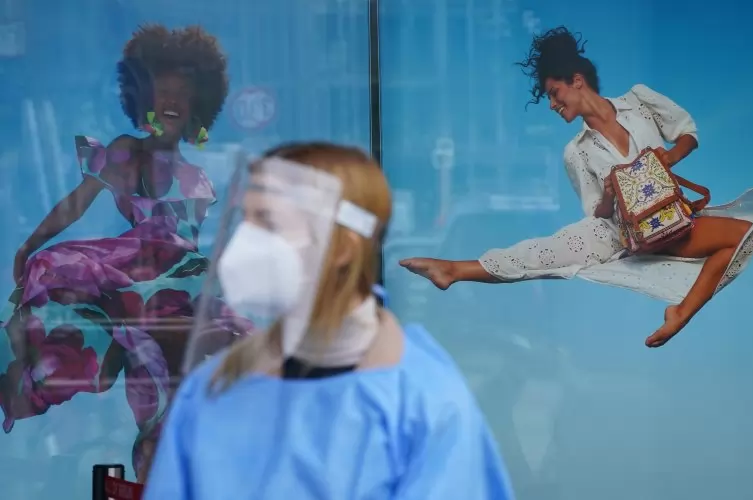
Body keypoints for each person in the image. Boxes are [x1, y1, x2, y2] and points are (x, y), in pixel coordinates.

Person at [143, 142, 515, 500]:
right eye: (245, 220)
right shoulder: (217, 385)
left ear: (343, 248)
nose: (246, 242)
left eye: (268, 222)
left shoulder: (422, 403)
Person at [400, 26, 753, 348]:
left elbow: (687, 132)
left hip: (670, 219)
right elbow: (597, 213)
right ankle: (454, 269)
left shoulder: (639, 101)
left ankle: (681, 313)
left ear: (576, 81)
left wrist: (668, 159)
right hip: (618, 232)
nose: (552, 105)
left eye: (554, 93)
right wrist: (609, 193)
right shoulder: (575, 152)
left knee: (741, 235)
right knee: (544, 253)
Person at [0, 24, 243, 481]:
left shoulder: (202, 177)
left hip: (183, 286)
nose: (172, 100)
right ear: (143, 98)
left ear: (198, 102)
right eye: (162, 90)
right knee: (59, 280)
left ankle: (168, 468)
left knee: (178, 380)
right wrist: (30, 243)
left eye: (182, 93)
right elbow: (75, 204)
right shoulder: (126, 154)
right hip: (134, 274)